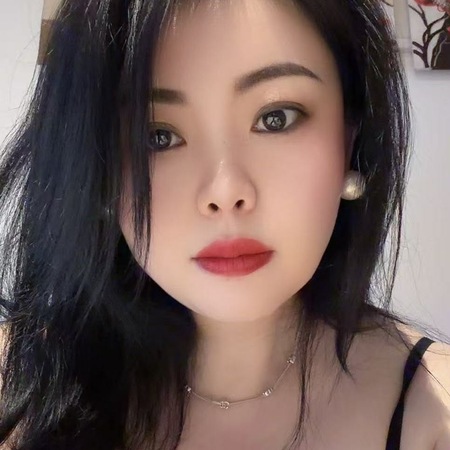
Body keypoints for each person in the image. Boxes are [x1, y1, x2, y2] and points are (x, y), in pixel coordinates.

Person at [0, 0, 449, 449]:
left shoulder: (433, 417)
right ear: (96, 170)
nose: (225, 190)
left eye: (275, 119)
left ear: (350, 137)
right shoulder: (18, 386)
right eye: (158, 136)